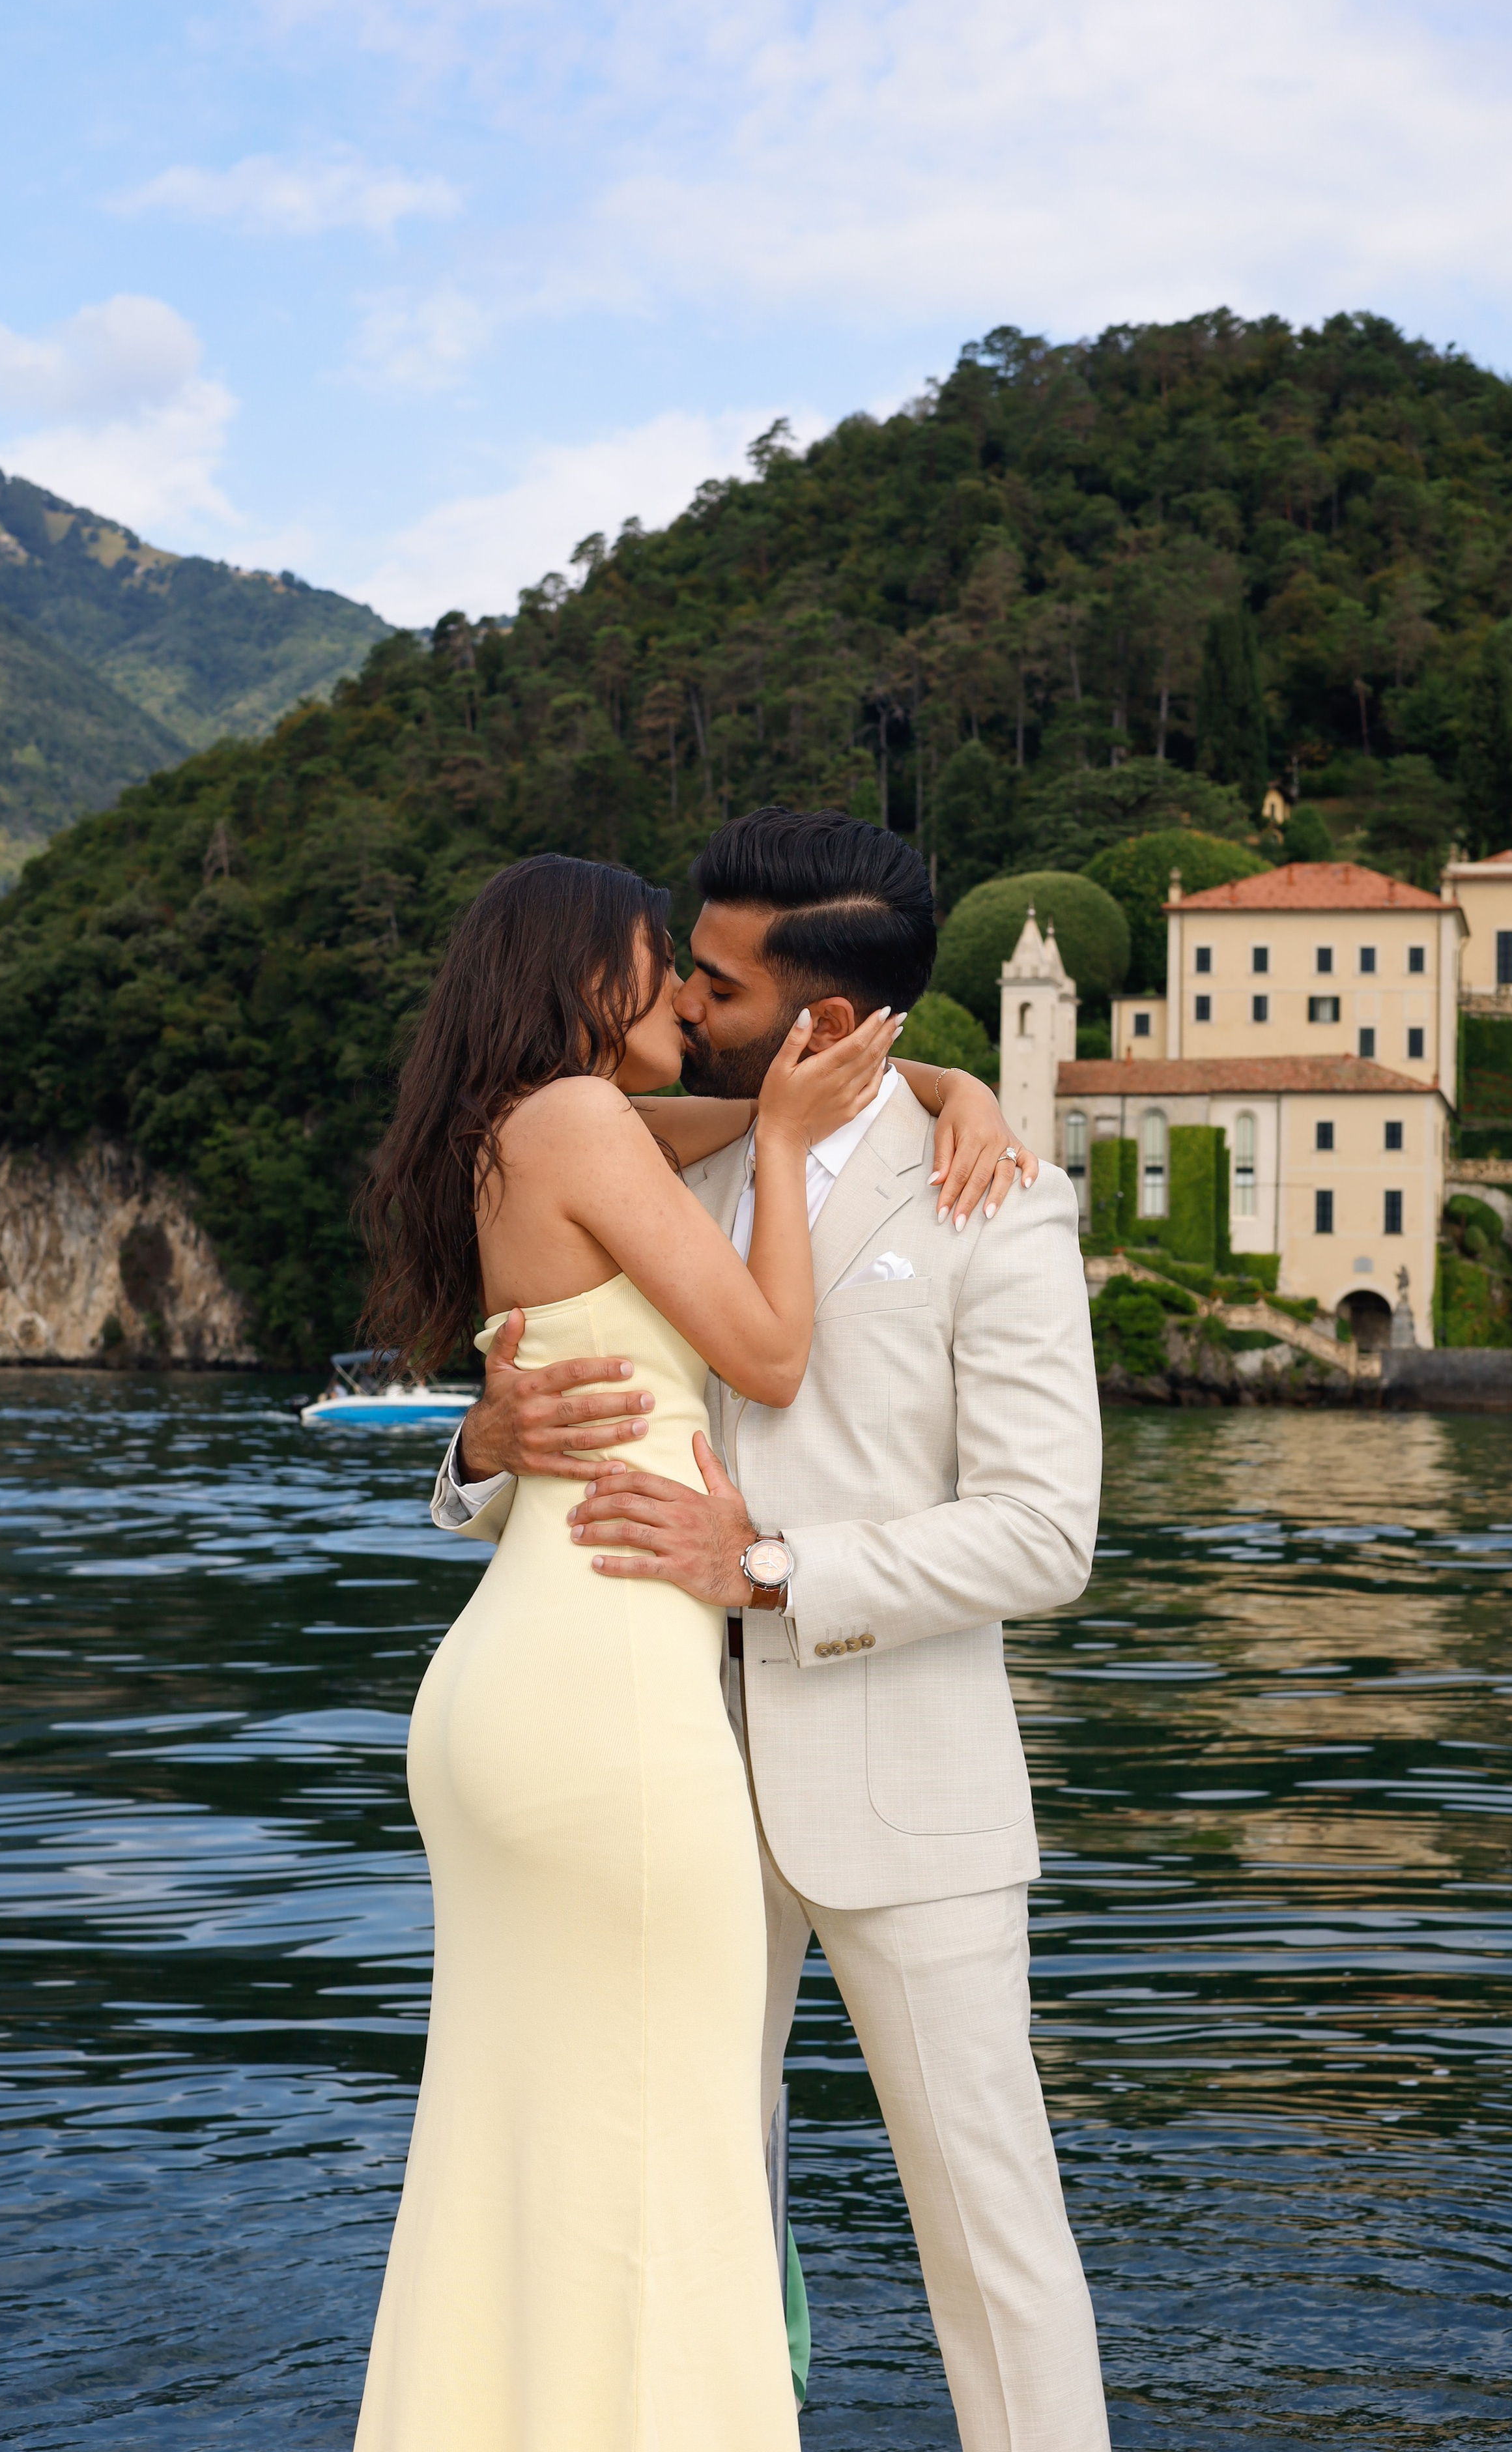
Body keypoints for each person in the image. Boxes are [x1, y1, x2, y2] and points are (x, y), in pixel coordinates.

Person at [433, 809, 1111, 2452]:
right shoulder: (663, 1153)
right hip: (658, 1775)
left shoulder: (995, 1201)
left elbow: (1046, 1532)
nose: (677, 992)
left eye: (713, 977)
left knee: (992, 2245)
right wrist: (474, 1451)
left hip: (905, 1790)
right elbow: (585, 1402)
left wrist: (780, 1568)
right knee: (690, 2229)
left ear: (812, 1014)